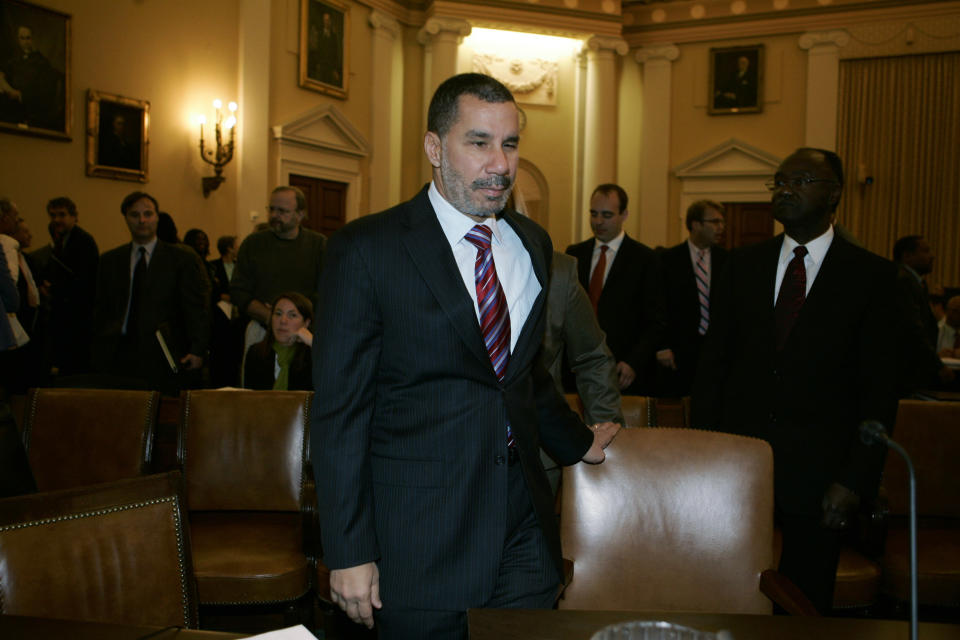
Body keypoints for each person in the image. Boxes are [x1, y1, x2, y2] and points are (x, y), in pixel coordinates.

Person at [312, 73, 618, 639]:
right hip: (420, 540)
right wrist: (349, 552)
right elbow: (338, 415)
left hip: (525, 526)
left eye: (510, 144)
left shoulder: (532, 243)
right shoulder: (366, 250)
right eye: (478, 143)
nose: (499, 164)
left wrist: (579, 445)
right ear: (434, 148)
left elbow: (520, 377)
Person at [692, 147, 900, 613]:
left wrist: (855, 479)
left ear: (835, 195)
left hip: (822, 476)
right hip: (737, 466)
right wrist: (703, 455)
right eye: (780, 180)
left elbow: (880, 391)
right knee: (726, 593)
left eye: (802, 181)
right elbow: (713, 370)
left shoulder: (872, 277)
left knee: (804, 607)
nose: (785, 189)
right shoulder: (742, 266)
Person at [91, 192, 210, 392]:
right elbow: (100, 307)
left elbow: (196, 308)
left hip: (163, 351)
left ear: (157, 217)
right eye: (135, 215)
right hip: (118, 352)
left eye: (148, 214)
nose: (142, 220)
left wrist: (198, 349)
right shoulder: (110, 260)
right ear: (126, 219)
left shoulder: (180, 259)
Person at [565, 184, 662, 395]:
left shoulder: (645, 259)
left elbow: (656, 321)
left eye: (607, 215)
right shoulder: (574, 254)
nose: (598, 221)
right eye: (594, 213)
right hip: (576, 368)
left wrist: (633, 362)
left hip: (623, 371)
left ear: (624, 215)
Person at [230, 186, 325, 360]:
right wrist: (272, 318)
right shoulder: (253, 244)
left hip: (305, 333)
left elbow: (325, 291)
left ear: (300, 214)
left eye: (282, 211)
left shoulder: (318, 245)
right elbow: (238, 291)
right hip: (261, 330)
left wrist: (296, 322)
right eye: (272, 209)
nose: (274, 215)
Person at [656, 200, 728, 397]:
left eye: (722, 222)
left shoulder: (728, 260)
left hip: (716, 352)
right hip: (678, 354)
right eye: (714, 222)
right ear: (695, 224)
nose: (720, 228)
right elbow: (658, 306)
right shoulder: (667, 259)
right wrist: (662, 346)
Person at [41, 197, 98, 375]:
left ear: (74, 217)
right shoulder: (61, 240)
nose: (56, 220)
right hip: (65, 317)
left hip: (78, 318)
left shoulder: (83, 241)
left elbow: (85, 282)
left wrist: (54, 288)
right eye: (53, 216)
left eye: (62, 215)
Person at [893, 235, 954, 390]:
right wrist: (937, 365)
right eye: (925, 251)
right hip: (906, 371)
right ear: (907, 255)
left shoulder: (915, 282)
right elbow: (914, 329)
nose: (932, 256)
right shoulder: (904, 281)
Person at [243, 292, 313, 391]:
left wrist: (313, 342)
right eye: (278, 314)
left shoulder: (314, 354)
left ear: (306, 323)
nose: (283, 321)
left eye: (292, 315)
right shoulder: (256, 352)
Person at [0, 26, 63, 131]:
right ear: (18, 40)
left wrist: (21, 95)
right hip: (10, 100)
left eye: (28, 38)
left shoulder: (41, 61)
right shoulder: (14, 60)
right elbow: (3, 74)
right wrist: (9, 90)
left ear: (32, 39)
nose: (25, 42)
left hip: (31, 104)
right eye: (22, 38)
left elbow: (45, 89)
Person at [936, 295, 960, 359]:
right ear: (947, 311)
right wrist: (938, 356)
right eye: (955, 310)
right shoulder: (937, 330)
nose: (958, 314)